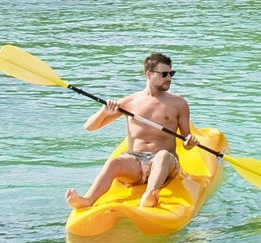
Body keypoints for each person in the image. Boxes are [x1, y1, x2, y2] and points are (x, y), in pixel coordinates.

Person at [65, 52, 198, 211]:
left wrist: (189, 142)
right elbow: (90, 127)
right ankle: (88, 199)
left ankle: (150, 194)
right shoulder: (129, 102)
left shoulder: (179, 103)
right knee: (114, 162)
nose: (169, 78)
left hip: (164, 162)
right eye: (164, 74)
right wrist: (104, 112)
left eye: (171, 73)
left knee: (162, 155)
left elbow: (186, 141)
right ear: (148, 74)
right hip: (136, 160)